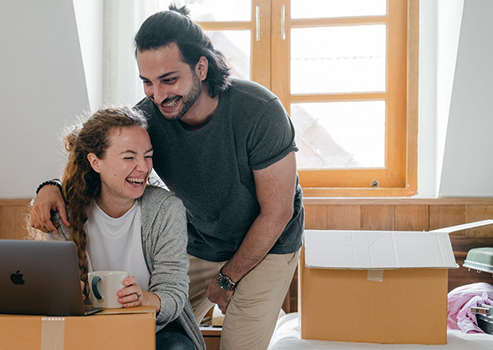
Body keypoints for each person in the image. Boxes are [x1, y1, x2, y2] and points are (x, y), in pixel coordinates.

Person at [31, 5, 304, 349]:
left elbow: (278, 212)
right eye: (147, 82)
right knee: (153, 325)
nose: (158, 95)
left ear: (201, 68)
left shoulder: (260, 113)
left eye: (169, 80)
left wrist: (228, 278)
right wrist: (51, 187)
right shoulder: (151, 115)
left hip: (268, 245)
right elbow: (96, 153)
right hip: (202, 241)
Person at [31, 106, 205, 350]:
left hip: (156, 332)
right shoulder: (63, 213)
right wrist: (67, 295)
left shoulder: (166, 210)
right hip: (87, 332)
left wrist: (145, 299)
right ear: (95, 162)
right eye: (129, 157)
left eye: (147, 155)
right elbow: (52, 290)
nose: (143, 168)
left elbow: (174, 293)